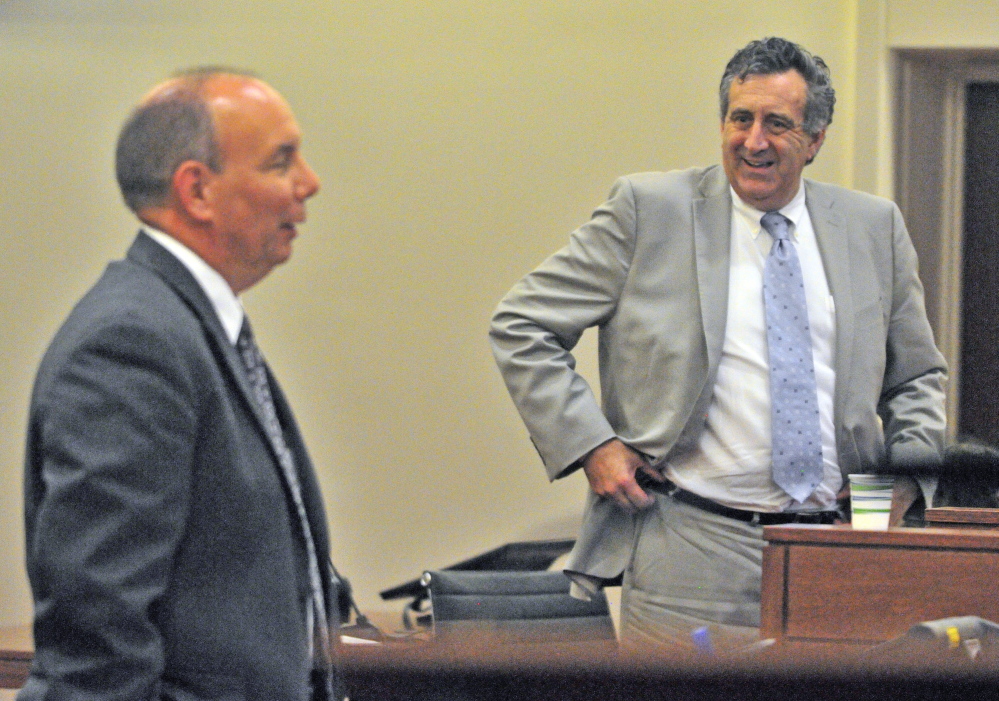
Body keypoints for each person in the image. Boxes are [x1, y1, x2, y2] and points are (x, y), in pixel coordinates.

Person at [489, 37, 947, 650]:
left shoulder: (873, 227)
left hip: (833, 549)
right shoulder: (649, 211)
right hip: (690, 544)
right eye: (741, 118)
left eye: (777, 124)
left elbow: (915, 378)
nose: (753, 141)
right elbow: (522, 324)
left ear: (815, 140)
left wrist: (905, 481)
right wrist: (591, 445)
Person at [20, 68, 345, 700]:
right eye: (281, 162)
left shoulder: (190, 326)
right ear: (196, 190)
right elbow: (98, 635)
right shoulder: (130, 344)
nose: (309, 183)